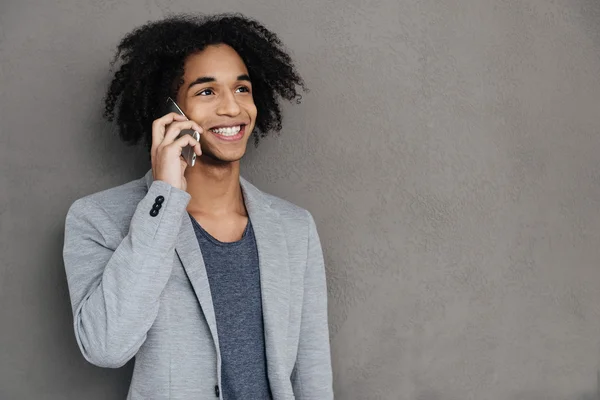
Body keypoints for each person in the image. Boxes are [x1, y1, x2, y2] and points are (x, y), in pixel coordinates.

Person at [62, 13, 333, 400]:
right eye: (207, 92)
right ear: (171, 110)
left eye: (242, 89)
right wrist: (165, 195)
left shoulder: (294, 228)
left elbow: (312, 373)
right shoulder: (98, 219)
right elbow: (106, 346)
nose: (232, 108)